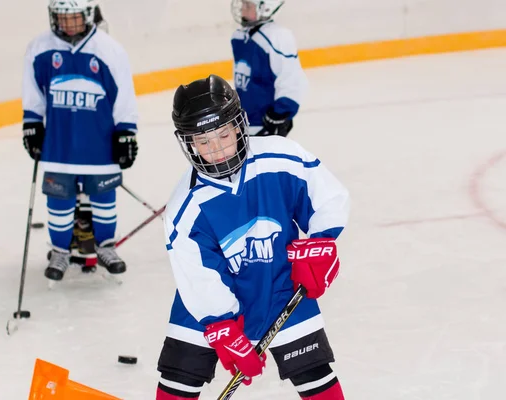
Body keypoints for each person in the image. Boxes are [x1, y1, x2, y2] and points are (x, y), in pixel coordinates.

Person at [155, 75, 349, 400]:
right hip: (206, 302)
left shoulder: (281, 156)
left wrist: (321, 242)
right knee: (178, 379)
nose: (216, 149)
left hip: (280, 285)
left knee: (315, 373)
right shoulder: (183, 208)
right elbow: (198, 277)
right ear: (188, 143)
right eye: (203, 142)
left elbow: (326, 197)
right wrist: (222, 325)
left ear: (239, 125)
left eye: (223, 135)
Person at [22, 0, 139, 282]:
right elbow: (33, 93)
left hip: (99, 146)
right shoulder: (40, 48)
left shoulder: (109, 50)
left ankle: (105, 247)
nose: (67, 23)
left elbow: (124, 97)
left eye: (73, 17)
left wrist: (126, 132)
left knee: (103, 199)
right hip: (59, 145)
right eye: (62, 17)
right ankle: (61, 251)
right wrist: (32, 125)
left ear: (88, 15)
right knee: (58, 201)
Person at [230, 0, 307, 136]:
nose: (242, 10)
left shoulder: (277, 36)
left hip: (265, 124)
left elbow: (290, 77)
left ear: (265, 8)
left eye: (247, 6)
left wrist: (280, 112)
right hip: (245, 123)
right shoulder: (239, 36)